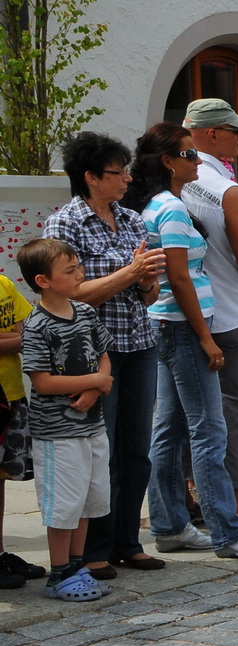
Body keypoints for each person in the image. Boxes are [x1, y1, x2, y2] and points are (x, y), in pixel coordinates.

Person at [138, 124, 238, 562]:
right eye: (187, 155)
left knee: (169, 430)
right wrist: (205, 337)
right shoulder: (173, 209)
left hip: (169, 325)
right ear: (168, 162)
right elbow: (179, 277)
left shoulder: (161, 204)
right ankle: (228, 530)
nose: (196, 161)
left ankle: (169, 524)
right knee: (208, 430)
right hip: (183, 328)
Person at [44, 132, 167, 577]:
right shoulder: (65, 224)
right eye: (118, 173)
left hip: (139, 343)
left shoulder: (132, 219)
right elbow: (70, 295)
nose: (127, 180)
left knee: (136, 449)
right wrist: (129, 272)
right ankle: (92, 550)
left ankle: (128, 541)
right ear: (91, 177)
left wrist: (147, 279)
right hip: (94, 354)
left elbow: (149, 293)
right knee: (100, 451)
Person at [180, 99, 238, 514]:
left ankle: (188, 498)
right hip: (228, 311)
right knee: (233, 409)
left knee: (184, 412)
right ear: (211, 133)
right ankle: (231, 506)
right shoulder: (227, 189)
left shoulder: (174, 181)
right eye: (234, 130)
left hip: (183, 311)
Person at [18, 238, 114, 601]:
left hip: (91, 425)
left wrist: (95, 388)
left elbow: (103, 356)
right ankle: (59, 574)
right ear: (43, 280)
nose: (80, 275)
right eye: (70, 270)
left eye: (78, 267)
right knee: (64, 504)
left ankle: (78, 565)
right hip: (58, 433)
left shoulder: (85, 312)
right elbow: (42, 380)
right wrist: (94, 381)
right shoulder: (37, 324)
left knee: (89, 499)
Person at [0, 268, 44, 589]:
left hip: (11, 395)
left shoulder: (3, 284)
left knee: (1, 480)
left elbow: (28, 331)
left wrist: (12, 339)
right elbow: (26, 336)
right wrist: (17, 338)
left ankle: (0, 552)